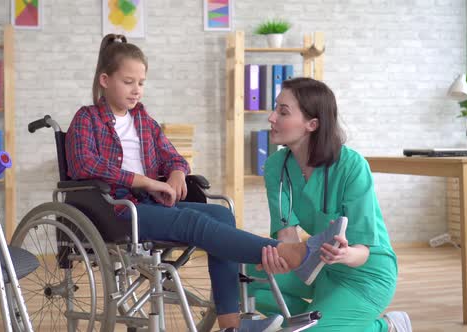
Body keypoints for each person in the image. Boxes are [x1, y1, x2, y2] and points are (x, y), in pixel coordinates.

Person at [65, 34, 347, 332]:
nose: (137, 90)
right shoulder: (87, 119)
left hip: (148, 205)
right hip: (116, 210)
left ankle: (230, 324)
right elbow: (85, 165)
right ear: (106, 80)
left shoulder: (142, 119)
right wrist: (146, 182)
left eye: (142, 82)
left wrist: (175, 173)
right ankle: (295, 253)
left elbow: (172, 157)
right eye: (128, 82)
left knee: (222, 214)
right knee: (192, 222)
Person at [246, 77, 412, 332]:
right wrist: (281, 258)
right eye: (274, 108)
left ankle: (385, 327)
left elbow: (362, 252)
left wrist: (344, 254)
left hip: (364, 273)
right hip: (320, 266)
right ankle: (328, 321)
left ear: (312, 124)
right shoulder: (275, 166)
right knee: (241, 273)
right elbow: (288, 237)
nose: (271, 117)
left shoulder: (352, 166)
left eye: (283, 112)